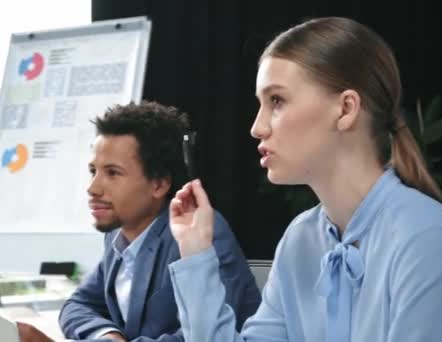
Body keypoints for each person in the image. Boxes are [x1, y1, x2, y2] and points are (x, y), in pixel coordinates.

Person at [167, 16, 442, 342]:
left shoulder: (426, 239)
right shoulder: (300, 239)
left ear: (345, 109)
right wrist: (195, 250)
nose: (257, 127)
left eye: (276, 101)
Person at [18, 101, 261, 342]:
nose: (92, 188)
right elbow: (78, 305)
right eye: (94, 171)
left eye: (113, 173)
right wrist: (107, 335)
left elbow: (202, 337)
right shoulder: (116, 236)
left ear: (158, 184)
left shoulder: (200, 231)